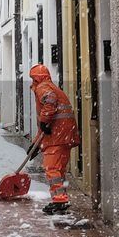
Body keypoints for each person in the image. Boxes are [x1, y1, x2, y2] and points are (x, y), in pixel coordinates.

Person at [29, 63, 80, 215]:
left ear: (36, 78)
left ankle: (59, 200)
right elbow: (44, 125)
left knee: (51, 168)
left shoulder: (43, 87)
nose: (32, 82)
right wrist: (35, 145)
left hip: (57, 136)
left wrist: (44, 120)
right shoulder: (52, 87)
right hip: (65, 134)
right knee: (59, 170)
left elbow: (49, 103)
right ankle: (61, 199)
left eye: (32, 78)